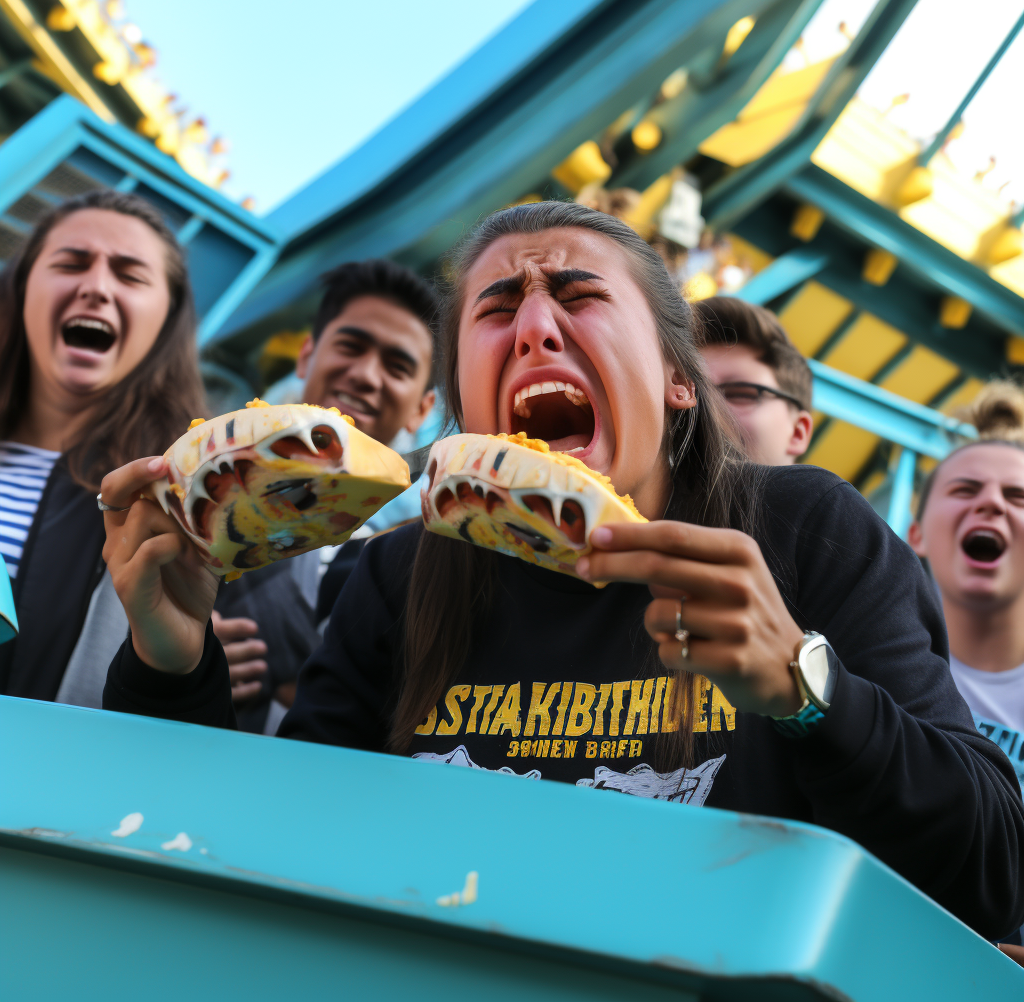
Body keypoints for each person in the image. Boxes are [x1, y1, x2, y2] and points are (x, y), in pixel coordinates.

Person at [100, 201, 1022, 940]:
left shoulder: (806, 528)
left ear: (676, 380)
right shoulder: (400, 576)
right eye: (496, 311)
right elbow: (269, 875)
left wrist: (806, 687)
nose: (536, 327)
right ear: (462, 400)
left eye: (578, 297)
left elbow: (991, 870)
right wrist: (170, 669)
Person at [213, 259, 438, 733]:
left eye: (397, 366)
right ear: (306, 356)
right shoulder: (202, 488)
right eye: (350, 347)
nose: (365, 375)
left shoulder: (407, 563)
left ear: (422, 408)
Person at [0, 190, 204, 705]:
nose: (95, 287)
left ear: (167, 318)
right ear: (22, 290)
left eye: (130, 275)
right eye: (71, 263)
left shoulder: (190, 504)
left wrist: (187, 675)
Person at [907, 383, 1024, 956]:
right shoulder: (848, 670)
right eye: (965, 488)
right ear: (916, 534)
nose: (993, 505)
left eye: (1019, 496)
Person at [694, 297, 813, 465]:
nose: (704, 408)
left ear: (797, 433)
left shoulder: (831, 491)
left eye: (739, 393)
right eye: (692, 394)